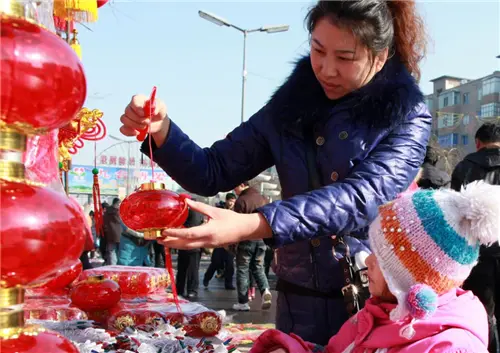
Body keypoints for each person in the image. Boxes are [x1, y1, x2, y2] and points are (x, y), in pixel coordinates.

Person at [119, 0, 430, 344]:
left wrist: (253, 225)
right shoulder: (290, 104)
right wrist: (162, 130)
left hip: (373, 302)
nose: (326, 69)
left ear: (380, 56)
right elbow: (212, 170)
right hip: (296, 301)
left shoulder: (405, 114)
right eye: (317, 49)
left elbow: (360, 198)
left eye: (345, 58)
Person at [250, 182, 499, 353]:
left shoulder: (449, 346)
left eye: (380, 256)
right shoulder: (374, 314)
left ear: (410, 279)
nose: (368, 260)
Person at [451, 122, 500, 353]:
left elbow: (454, 215)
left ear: (478, 143)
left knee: (482, 313)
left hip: (476, 255)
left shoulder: (464, 168)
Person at [232, 182, 272, 311]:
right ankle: (265, 290)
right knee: (258, 268)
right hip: (262, 240)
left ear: (243, 184)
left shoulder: (241, 201)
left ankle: (243, 302)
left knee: (242, 270)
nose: (234, 189)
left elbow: (236, 225)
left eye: (235, 186)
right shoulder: (264, 199)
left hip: (246, 239)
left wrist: (233, 244)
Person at [203, 193, 237, 289]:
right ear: (226, 200)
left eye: (233, 201)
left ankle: (228, 284)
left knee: (230, 264)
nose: (231, 203)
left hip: (230, 241)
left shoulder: (236, 211)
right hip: (219, 241)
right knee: (216, 262)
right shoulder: (220, 209)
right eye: (230, 201)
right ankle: (207, 277)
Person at [176, 206, 205, 299]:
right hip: (187, 244)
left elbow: (191, 227)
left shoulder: (193, 211)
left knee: (190, 269)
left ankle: (190, 290)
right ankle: (182, 290)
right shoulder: (195, 210)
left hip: (192, 244)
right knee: (183, 268)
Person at [103, 198, 122, 265]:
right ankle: (118, 266)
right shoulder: (118, 212)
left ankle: (112, 265)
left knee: (111, 251)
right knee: (119, 252)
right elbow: (120, 222)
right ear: (116, 204)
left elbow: (104, 222)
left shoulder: (106, 212)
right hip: (119, 234)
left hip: (110, 234)